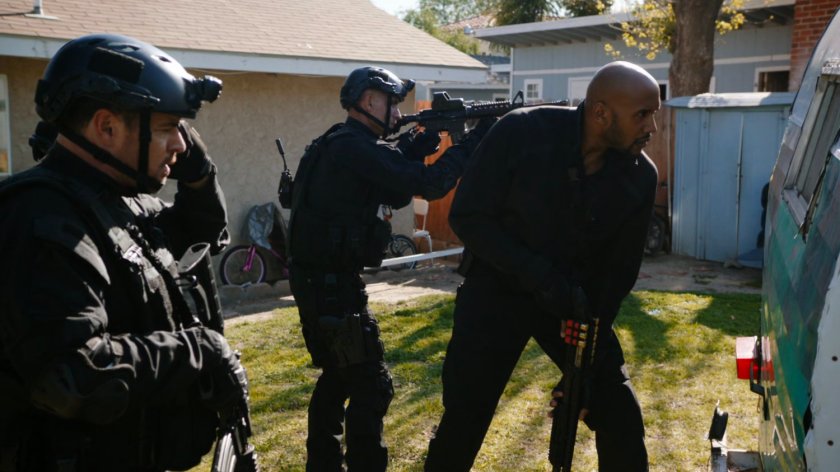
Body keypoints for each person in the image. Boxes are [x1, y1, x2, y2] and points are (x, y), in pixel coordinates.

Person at [0, 34, 249, 471]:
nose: (180, 144)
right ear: (107, 127)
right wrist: (199, 351)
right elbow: (73, 374)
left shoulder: (119, 201)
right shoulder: (40, 218)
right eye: (168, 127)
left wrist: (198, 174)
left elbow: (201, 234)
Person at [424, 61, 660, 471]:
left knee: (618, 409)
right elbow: (468, 217)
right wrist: (538, 275)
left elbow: (616, 276)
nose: (651, 127)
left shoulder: (640, 177)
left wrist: (583, 368)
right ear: (601, 113)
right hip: (495, 292)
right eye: (642, 114)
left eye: (653, 114)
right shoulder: (522, 132)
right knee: (465, 416)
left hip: (571, 305)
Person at [287, 66, 491, 471]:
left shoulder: (341, 142)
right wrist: (472, 144)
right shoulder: (354, 147)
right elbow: (430, 184)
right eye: (392, 104)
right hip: (331, 286)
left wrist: (418, 146)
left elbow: (392, 189)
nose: (398, 113)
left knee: (338, 378)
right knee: (371, 384)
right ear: (368, 101)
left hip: (320, 281)